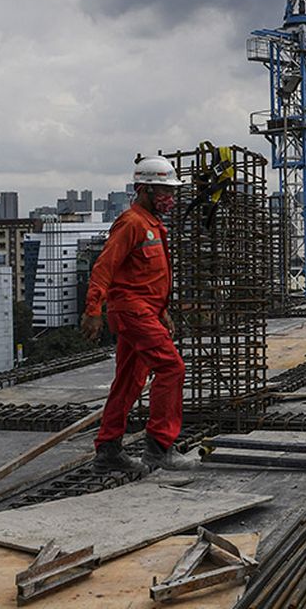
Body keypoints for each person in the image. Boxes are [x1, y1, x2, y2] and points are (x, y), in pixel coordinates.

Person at [82, 155, 197, 474]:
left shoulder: (153, 225)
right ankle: (160, 448)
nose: (170, 198)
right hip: (132, 313)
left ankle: (108, 451)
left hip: (144, 312)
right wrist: (93, 309)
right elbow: (104, 266)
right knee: (172, 368)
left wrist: (162, 312)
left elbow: (148, 279)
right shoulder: (131, 223)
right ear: (144, 189)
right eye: (163, 191)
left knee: (129, 381)